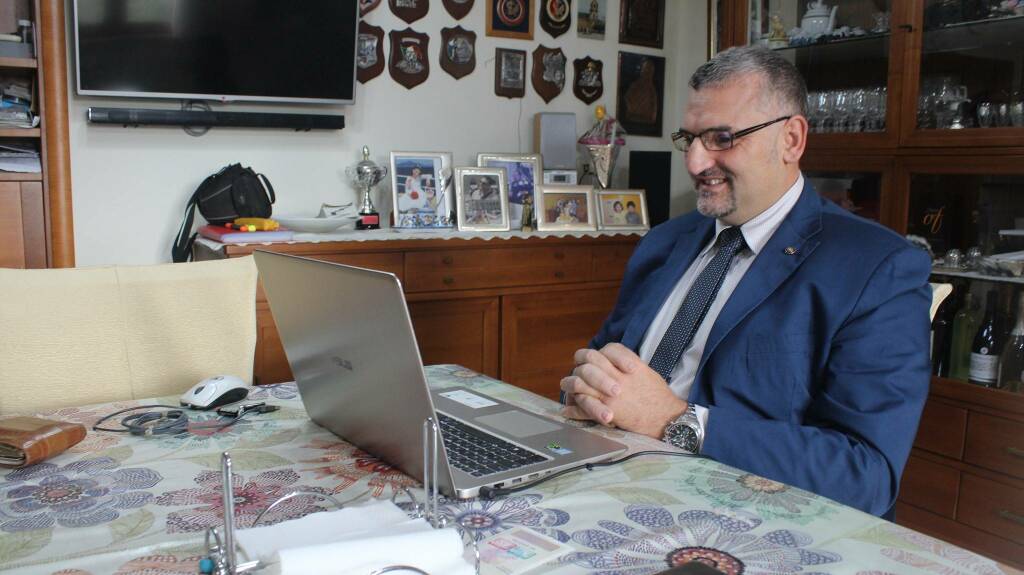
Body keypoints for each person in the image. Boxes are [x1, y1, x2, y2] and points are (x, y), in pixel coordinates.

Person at [559, 46, 931, 518]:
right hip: (609, 486)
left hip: (741, 521)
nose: (694, 163)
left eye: (721, 138)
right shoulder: (664, 241)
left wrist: (675, 421)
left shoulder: (879, 268)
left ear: (791, 140)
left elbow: (866, 475)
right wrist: (587, 389)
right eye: (689, 138)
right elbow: (598, 369)